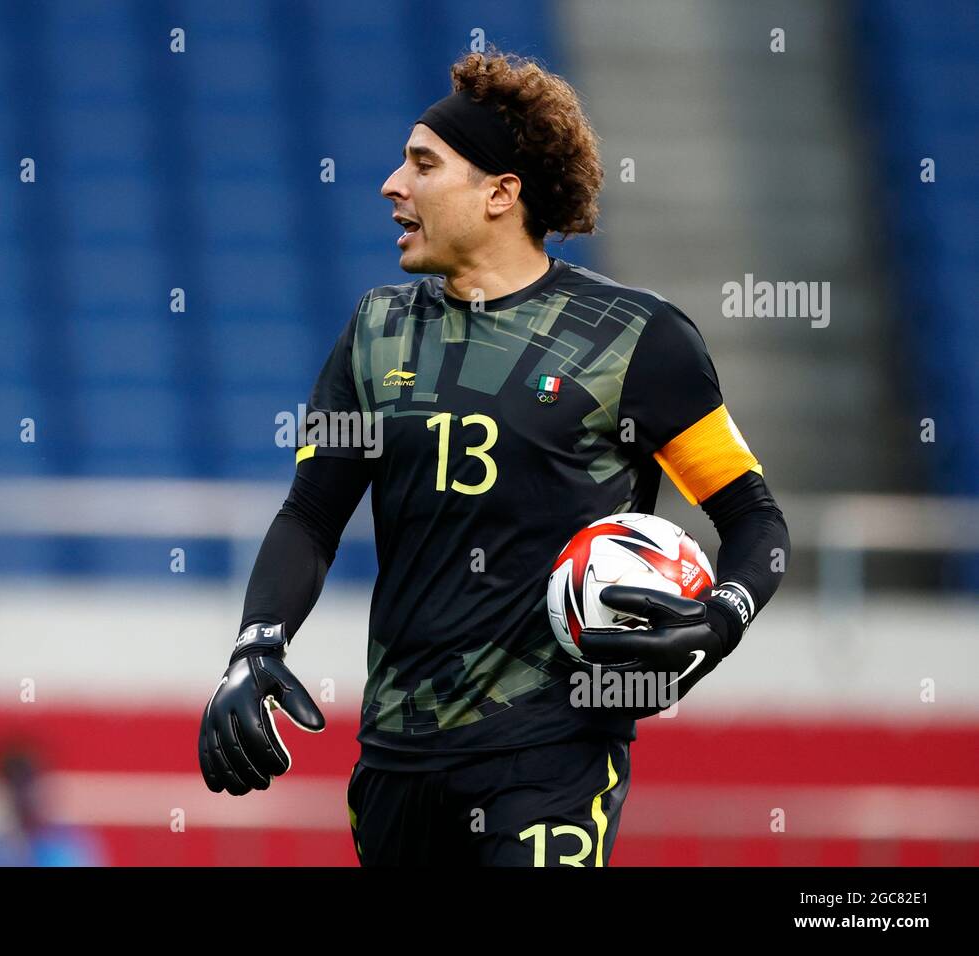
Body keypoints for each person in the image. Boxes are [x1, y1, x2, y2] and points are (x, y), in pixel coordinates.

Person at [198, 50, 789, 866]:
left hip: (550, 750)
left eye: (422, 163)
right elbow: (310, 516)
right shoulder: (375, 332)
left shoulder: (637, 340)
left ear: (500, 193)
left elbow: (753, 518)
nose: (391, 185)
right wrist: (256, 645)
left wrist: (722, 616)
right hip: (396, 760)